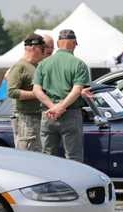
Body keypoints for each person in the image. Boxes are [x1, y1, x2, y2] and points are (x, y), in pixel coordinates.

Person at [33, 29, 90, 162]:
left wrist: (53, 107)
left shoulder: (43, 64)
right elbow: (77, 91)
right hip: (70, 114)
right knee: (73, 157)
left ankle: (48, 183)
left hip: (48, 114)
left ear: (58, 43)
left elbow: (37, 90)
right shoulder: (79, 64)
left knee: (47, 157)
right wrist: (61, 107)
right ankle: (74, 183)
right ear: (74, 43)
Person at [7, 33, 45, 151]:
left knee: (39, 155)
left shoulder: (36, 66)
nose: (44, 52)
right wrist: (37, 94)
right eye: (42, 48)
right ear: (34, 48)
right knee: (27, 155)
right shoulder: (20, 66)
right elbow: (12, 92)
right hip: (26, 120)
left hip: (38, 117)